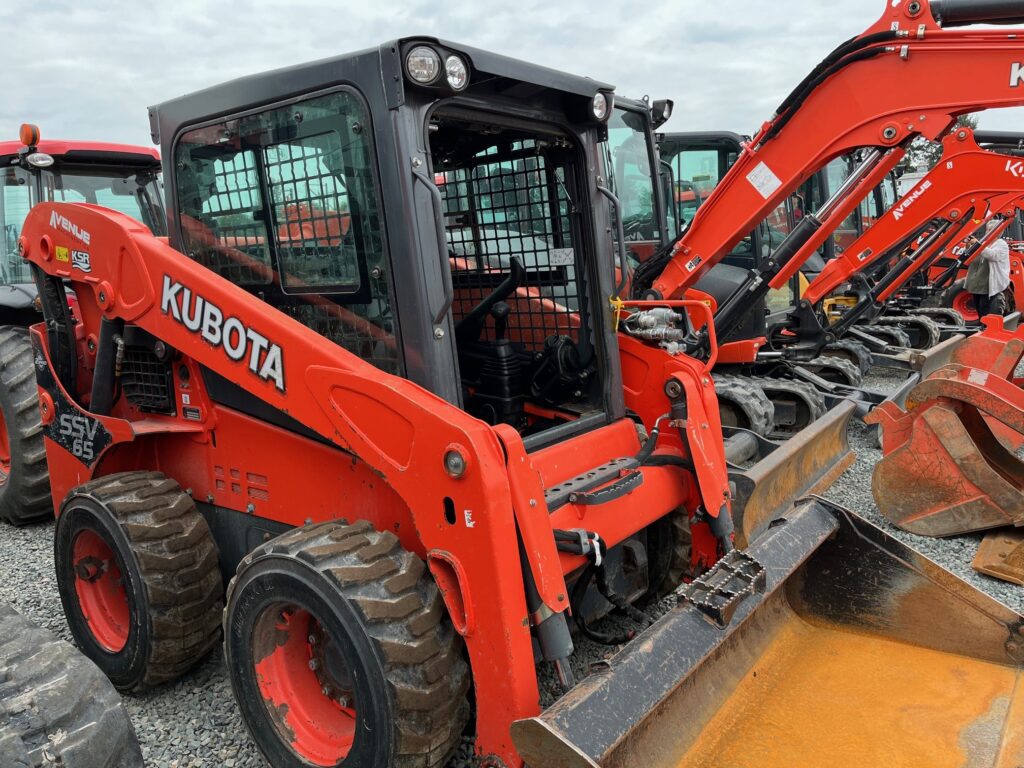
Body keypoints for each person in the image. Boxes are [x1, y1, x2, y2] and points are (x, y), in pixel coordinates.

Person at [965, 218, 1011, 317]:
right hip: (976, 284)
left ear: (997, 231)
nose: (987, 232)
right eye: (987, 230)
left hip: (987, 285)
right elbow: (969, 256)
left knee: (984, 308)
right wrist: (968, 246)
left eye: (989, 230)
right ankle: (982, 327)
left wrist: (977, 244)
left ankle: (985, 328)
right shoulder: (984, 242)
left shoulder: (1001, 244)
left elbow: (993, 255)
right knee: (979, 309)